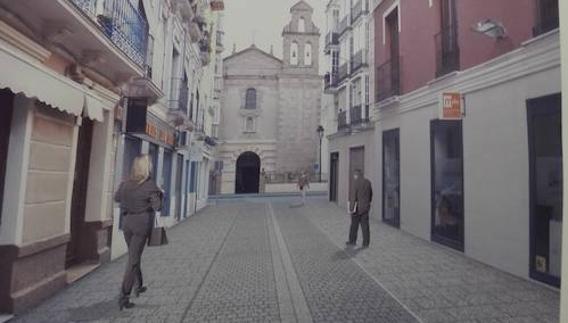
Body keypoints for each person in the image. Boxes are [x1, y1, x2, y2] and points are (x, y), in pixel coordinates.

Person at [114, 155, 163, 310]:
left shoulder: (125, 184)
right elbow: (158, 207)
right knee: (133, 259)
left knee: (134, 255)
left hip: (127, 223)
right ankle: (124, 297)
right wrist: (161, 193)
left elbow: (117, 198)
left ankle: (139, 285)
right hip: (142, 224)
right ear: (147, 167)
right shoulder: (150, 185)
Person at [346, 169, 373, 248]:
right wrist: (368, 202)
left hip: (357, 208)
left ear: (357, 174)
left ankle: (352, 241)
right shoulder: (368, 182)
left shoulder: (355, 183)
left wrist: (351, 208)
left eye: (355, 174)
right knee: (365, 226)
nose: (354, 176)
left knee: (354, 225)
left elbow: (353, 196)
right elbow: (371, 194)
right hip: (365, 207)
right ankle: (366, 243)